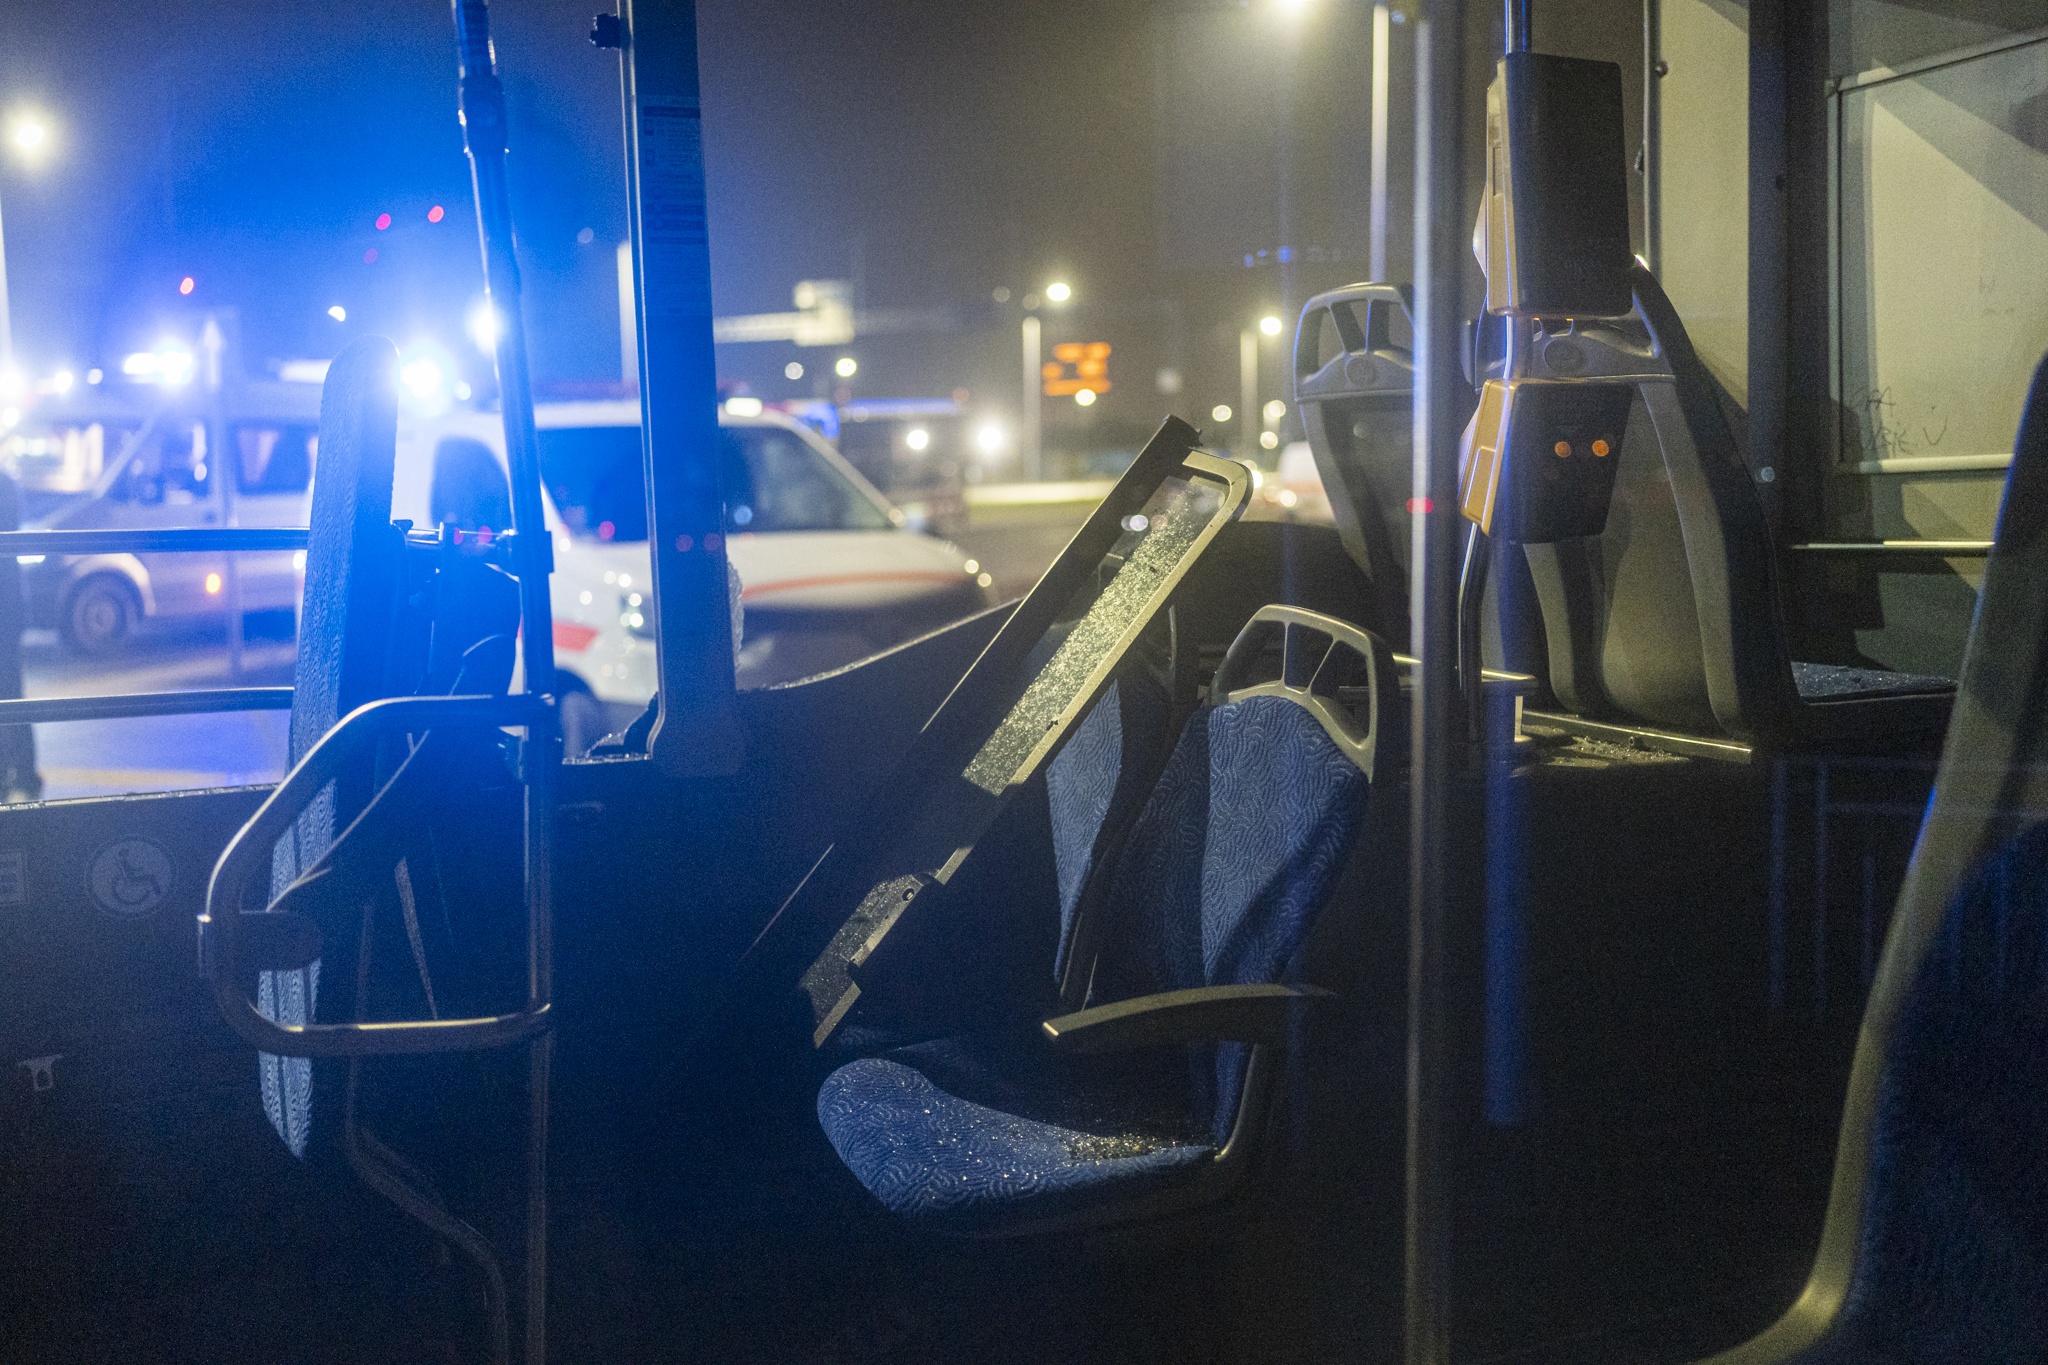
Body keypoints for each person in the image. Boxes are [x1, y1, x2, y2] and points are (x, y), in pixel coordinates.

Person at [0, 468, 43, 802]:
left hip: (6, 604)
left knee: (9, 689)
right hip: (10, 602)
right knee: (11, 688)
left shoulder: (5, 484)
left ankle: (13, 772)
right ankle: (23, 771)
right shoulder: (8, 483)